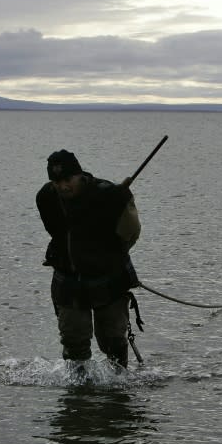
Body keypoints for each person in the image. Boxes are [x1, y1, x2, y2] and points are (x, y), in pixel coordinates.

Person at [36, 149, 141, 369]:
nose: (62, 186)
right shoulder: (45, 197)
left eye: (67, 179)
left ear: (79, 175)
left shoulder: (111, 195)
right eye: (56, 181)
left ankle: (118, 389)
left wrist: (103, 251)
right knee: (74, 344)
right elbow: (56, 232)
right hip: (68, 279)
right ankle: (78, 395)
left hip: (108, 278)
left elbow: (130, 234)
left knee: (113, 340)